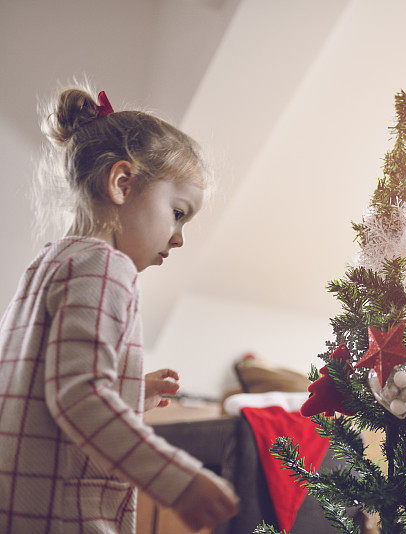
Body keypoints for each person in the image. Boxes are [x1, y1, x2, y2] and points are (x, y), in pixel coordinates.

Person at [0, 85, 239, 533]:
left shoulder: (49, 262)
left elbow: (37, 384)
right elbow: (79, 397)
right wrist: (178, 482)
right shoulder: (106, 266)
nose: (179, 237)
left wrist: (130, 393)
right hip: (65, 518)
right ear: (122, 183)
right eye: (178, 213)